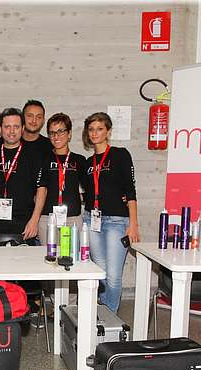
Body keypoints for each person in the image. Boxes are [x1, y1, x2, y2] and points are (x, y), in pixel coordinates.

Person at [81, 112, 140, 313]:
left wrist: (133, 224)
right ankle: (103, 314)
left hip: (116, 222)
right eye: (91, 129)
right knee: (100, 273)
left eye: (99, 129)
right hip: (92, 220)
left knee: (113, 276)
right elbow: (89, 192)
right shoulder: (88, 163)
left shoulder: (120, 155)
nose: (94, 133)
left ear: (108, 131)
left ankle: (110, 318)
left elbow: (130, 190)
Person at [0, 107, 46, 240]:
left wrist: (34, 220)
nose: (11, 131)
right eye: (7, 127)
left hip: (25, 224)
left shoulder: (34, 155)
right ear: (0, 128)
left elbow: (41, 189)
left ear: (22, 129)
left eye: (16, 127)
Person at [38, 113, 87, 243]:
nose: (56, 136)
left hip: (72, 219)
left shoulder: (79, 160)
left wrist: (78, 197)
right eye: (52, 133)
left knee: (72, 255)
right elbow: (39, 190)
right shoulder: (44, 159)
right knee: (49, 255)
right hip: (48, 218)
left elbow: (91, 188)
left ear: (69, 134)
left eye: (60, 131)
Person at [22, 100, 52, 164]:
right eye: (30, 116)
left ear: (43, 121)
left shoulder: (51, 146)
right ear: (22, 118)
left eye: (39, 117)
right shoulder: (9, 143)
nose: (34, 121)